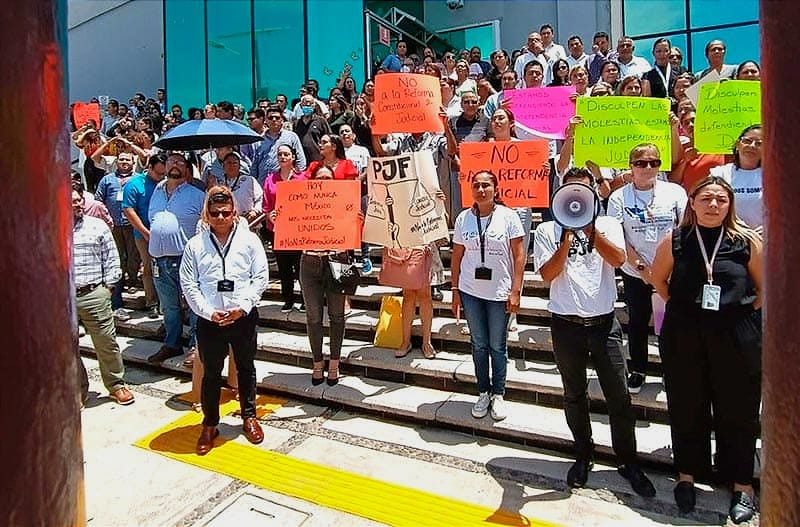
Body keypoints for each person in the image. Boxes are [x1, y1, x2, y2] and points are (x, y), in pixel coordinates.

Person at [533, 167, 656, 497]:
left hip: (604, 325)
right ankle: (584, 454)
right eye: (571, 193)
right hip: (565, 325)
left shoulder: (608, 225)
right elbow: (547, 274)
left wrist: (589, 231)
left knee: (620, 396)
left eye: (583, 193)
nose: (576, 201)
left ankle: (627, 461)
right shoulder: (547, 229)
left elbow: (617, 259)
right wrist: (566, 239)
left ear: (593, 195)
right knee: (574, 394)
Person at [651, 176, 762, 523]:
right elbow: (658, 280)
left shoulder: (746, 241)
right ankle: (687, 474)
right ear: (693, 203)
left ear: (729, 205)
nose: (713, 205)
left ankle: (742, 485)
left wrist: (741, 312)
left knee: (739, 408)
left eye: (720, 200)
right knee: (687, 403)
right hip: (685, 333)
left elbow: (765, 287)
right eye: (706, 199)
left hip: (735, 335)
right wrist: (682, 306)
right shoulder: (677, 239)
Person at [180, 186, 269, 456]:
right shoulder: (195, 245)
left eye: (226, 213)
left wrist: (242, 307)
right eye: (215, 213)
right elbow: (188, 283)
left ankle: (249, 416)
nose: (220, 218)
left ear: (234, 213)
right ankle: (210, 424)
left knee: (246, 368)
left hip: (242, 317)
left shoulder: (249, 241)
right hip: (211, 321)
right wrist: (208, 312)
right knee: (211, 374)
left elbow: (260, 277)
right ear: (207, 215)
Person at [606, 144, 687, 393]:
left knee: (669, 324)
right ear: (631, 167)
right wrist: (643, 269)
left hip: (671, 272)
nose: (648, 167)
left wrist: (665, 271)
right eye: (641, 163)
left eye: (654, 162)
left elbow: (683, 230)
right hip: (636, 273)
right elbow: (618, 236)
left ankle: (672, 369)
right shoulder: (619, 197)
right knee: (638, 323)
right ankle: (639, 369)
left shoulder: (674, 192)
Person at [451, 171, 525, 421]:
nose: (481, 189)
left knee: (497, 346)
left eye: (486, 185)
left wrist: (516, 290)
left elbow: (519, 256)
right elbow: (457, 256)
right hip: (470, 291)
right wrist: (454, 290)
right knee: (479, 345)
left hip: (499, 292)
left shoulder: (509, 216)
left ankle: (499, 394)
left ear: (496, 188)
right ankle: (483, 391)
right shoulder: (464, 219)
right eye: (477, 185)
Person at [72, 188, 134, 407]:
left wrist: (107, 288)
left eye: (79, 200)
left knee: (106, 343)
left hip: (93, 294)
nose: (77, 204)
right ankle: (77, 390)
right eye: (71, 201)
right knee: (67, 349)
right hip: (62, 300)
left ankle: (116, 384)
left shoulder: (96, 226)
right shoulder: (51, 227)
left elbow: (112, 258)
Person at [296, 164, 355, 386]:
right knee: (313, 317)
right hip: (309, 262)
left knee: (337, 316)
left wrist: (356, 220)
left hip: (337, 262)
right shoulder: (302, 205)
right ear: (312, 182)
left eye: (329, 179)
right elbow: (287, 226)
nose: (324, 182)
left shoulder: (344, 204)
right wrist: (278, 217)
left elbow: (357, 232)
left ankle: (334, 362)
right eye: (320, 179)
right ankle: (317, 361)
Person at [146, 153, 206, 364]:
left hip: (184, 259)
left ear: (187, 169)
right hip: (158, 260)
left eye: (180, 162)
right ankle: (172, 344)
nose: (174, 165)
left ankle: (195, 346)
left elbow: (205, 225)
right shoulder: (157, 191)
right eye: (171, 161)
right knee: (169, 306)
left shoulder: (197, 194)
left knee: (193, 305)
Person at [94, 150, 140, 321]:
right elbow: (99, 199)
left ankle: (133, 280)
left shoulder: (137, 179)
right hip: (113, 224)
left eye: (127, 159)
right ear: (117, 162)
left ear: (132, 162)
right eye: (121, 159)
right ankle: (119, 285)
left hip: (132, 224)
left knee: (134, 255)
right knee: (117, 257)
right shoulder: (107, 179)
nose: (124, 162)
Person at [122, 153, 167, 319]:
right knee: (149, 267)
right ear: (149, 168)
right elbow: (128, 210)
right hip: (144, 233)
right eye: (158, 173)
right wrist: (144, 232)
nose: (161, 177)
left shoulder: (165, 183)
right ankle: (152, 301)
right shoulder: (134, 184)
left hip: (165, 233)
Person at [263, 144, 306, 312]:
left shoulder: (302, 178)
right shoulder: (270, 179)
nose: (282, 157)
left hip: (298, 229)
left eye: (286, 154)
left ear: (293, 157)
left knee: (300, 266)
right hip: (278, 230)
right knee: (283, 266)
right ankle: (288, 299)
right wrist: (269, 216)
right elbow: (266, 205)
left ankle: (304, 298)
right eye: (280, 154)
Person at [710, 125, 763, 231]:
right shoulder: (719, 174)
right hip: (730, 237)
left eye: (759, 143)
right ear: (738, 144)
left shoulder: (773, 177)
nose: (752, 146)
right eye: (747, 141)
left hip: (763, 238)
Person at [251, 105, 307, 185]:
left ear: (282, 120)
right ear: (265, 120)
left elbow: (301, 161)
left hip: (287, 183)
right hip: (263, 184)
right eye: (270, 118)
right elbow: (254, 165)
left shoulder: (291, 137)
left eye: (277, 118)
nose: (274, 120)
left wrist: (296, 179)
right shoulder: (259, 140)